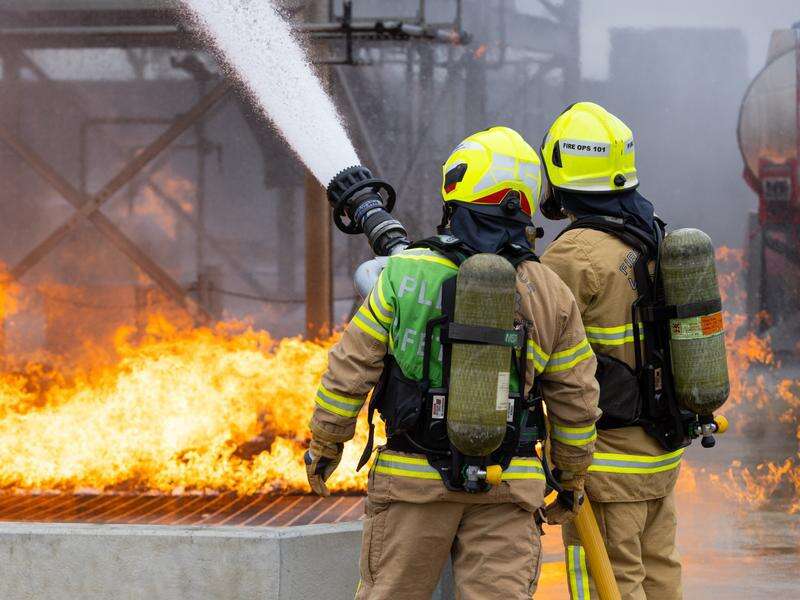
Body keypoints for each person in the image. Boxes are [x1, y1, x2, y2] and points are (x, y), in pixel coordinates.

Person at [305, 126, 601, 600]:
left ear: (456, 191)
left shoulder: (404, 274)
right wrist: (570, 476)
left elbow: (350, 370)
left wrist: (326, 444)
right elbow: (578, 400)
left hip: (413, 482)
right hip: (509, 485)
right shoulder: (551, 292)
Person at [539, 102, 683, 599]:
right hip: (659, 452)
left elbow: (531, 342)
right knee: (660, 574)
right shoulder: (650, 233)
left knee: (609, 586)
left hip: (606, 463)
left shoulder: (573, 254)